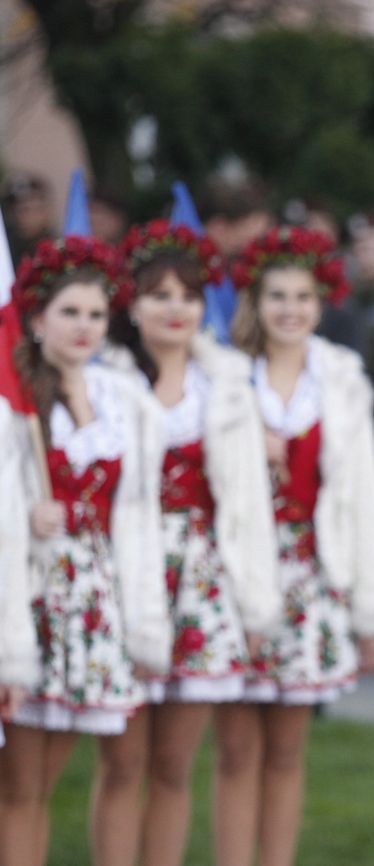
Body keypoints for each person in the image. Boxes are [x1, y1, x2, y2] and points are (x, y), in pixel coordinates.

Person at [89, 220, 280, 866]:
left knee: (173, 764)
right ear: (131, 303)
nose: (175, 308)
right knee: (122, 760)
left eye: (188, 295)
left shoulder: (227, 385)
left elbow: (250, 505)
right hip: (123, 576)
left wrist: (257, 604)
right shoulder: (103, 384)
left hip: (200, 583)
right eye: (158, 294)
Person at [215, 226, 374, 866]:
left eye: (303, 296)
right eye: (277, 296)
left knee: (289, 751)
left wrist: (369, 610)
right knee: (237, 751)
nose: (290, 309)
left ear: (322, 303)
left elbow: (364, 502)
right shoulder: (228, 380)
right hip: (241, 576)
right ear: (255, 303)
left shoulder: (343, 383)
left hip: (313, 579)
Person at [0, 236, 171, 866]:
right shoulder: (12, 405)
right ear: (37, 317)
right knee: (21, 787)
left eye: (96, 314)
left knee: (85, 767)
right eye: (68, 312)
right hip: (29, 604)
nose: (83, 327)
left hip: (96, 606)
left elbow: (140, 513)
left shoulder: (124, 403)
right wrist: (20, 513)